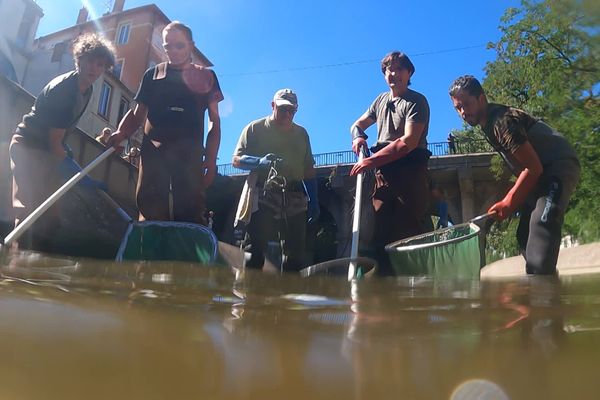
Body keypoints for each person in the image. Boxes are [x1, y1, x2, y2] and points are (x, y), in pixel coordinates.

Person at [449, 75, 580, 275]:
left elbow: (533, 167)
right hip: (540, 176)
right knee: (525, 234)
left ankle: (543, 294)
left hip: (558, 167)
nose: (463, 112)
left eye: (467, 104)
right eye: (458, 108)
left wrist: (509, 201)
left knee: (543, 222)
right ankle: (544, 289)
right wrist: (517, 200)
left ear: (481, 99)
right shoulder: (488, 126)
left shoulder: (501, 121)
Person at [107, 21, 223, 225]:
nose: (173, 50)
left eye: (180, 45)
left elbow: (215, 122)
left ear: (191, 45)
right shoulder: (153, 75)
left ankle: (185, 252)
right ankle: (147, 251)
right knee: (150, 208)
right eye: (168, 45)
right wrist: (120, 134)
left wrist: (211, 159)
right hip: (154, 153)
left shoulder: (206, 76)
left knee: (190, 211)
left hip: (190, 155)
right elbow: (137, 114)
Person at [9, 33, 115, 250]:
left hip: (49, 150)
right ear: (79, 59)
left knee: (51, 217)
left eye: (100, 64)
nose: (94, 68)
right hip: (29, 147)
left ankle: (35, 269)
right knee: (29, 210)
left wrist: (62, 151)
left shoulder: (87, 90)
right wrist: (79, 175)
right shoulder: (65, 88)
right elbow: (54, 139)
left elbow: (61, 134)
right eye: (89, 61)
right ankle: (11, 266)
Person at [349, 51, 431, 275]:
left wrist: (371, 160)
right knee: (380, 230)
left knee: (409, 229)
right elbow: (357, 125)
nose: (392, 73)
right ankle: (384, 293)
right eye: (388, 70)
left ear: (409, 72)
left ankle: (415, 291)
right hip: (383, 174)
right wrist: (357, 136)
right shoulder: (380, 101)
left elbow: (408, 142)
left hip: (410, 171)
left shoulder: (416, 101)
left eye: (398, 69)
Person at [232, 88, 319, 272]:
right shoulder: (255, 129)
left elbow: (309, 169)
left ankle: (287, 298)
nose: (287, 114)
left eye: (292, 111)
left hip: (295, 196)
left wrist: (313, 199)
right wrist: (259, 162)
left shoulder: (302, 134)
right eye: (283, 109)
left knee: (295, 255)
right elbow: (236, 160)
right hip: (264, 193)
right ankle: (250, 297)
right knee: (254, 251)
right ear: (273, 105)